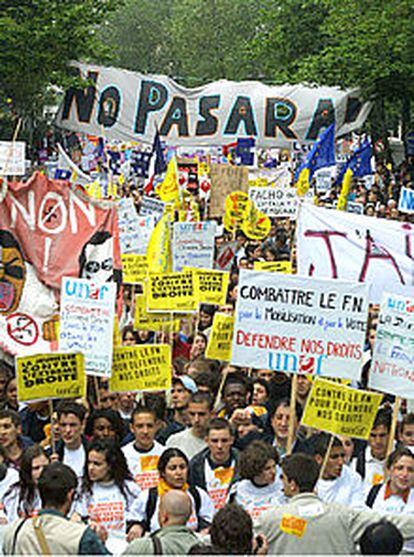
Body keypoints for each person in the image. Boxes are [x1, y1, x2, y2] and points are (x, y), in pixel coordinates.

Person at [255, 453, 414, 555]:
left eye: (282, 477)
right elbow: (393, 523)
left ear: (292, 483)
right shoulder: (344, 516)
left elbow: (237, 538)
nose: (280, 482)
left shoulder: (269, 519)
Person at [127, 448, 214, 538]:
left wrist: (206, 531)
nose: (179, 472)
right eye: (172, 468)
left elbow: (208, 521)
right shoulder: (148, 496)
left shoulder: (198, 494)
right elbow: (134, 519)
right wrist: (137, 527)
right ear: (163, 472)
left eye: (182, 467)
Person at [73, 439, 140, 549]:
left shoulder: (130, 488)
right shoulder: (83, 489)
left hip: (125, 549)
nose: (91, 468)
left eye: (97, 464)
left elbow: (141, 516)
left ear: (110, 466)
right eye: (89, 462)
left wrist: (138, 525)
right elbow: (75, 519)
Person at [123, 490, 200, 555]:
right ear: (190, 515)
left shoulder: (142, 548)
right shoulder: (203, 546)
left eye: (159, 511)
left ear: (164, 517)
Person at [189, 418, 238, 510]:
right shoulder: (195, 465)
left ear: (232, 440)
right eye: (214, 441)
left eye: (224, 441)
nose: (219, 446)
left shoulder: (243, 462)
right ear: (206, 440)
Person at [229, 440, 281, 520]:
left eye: (274, 466)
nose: (273, 471)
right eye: (267, 469)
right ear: (255, 470)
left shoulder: (283, 486)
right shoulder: (239, 490)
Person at [313, 433, 365, 508]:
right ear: (318, 459)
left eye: (342, 455)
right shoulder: (307, 478)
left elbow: (357, 509)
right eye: (334, 457)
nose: (341, 462)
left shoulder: (353, 478)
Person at [1, 445, 49, 523]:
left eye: (45, 467)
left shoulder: (57, 491)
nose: (42, 472)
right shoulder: (14, 493)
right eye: (36, 468)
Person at [122, 405, 165, 490]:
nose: (145, 431)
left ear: (156, 426)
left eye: (149, 426)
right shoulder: (123, 455)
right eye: (140, 426)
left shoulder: (165, 453)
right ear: (132, 428)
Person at [353, 408, 392, 493]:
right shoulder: (357, 463)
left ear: (391, 434)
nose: (378, 441)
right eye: (373, 435)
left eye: (382, 435)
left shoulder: (403, 459)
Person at [166, 393, 212, 459]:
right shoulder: (175, 441)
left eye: (201, 414)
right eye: (192, 414)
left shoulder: (220, 441)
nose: (196, 419)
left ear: (212, 414)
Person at [156, 376, 197, 444]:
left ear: (192, 394)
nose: (174, 395)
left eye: (180, 391)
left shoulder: (199, 424)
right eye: (172, 391)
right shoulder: (163, 426)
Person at [52, 401, 88, 477]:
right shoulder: (51, 453)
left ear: (82, 425)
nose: (67, 430)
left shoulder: (93, 450)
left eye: (73, 425)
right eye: (63, 425)